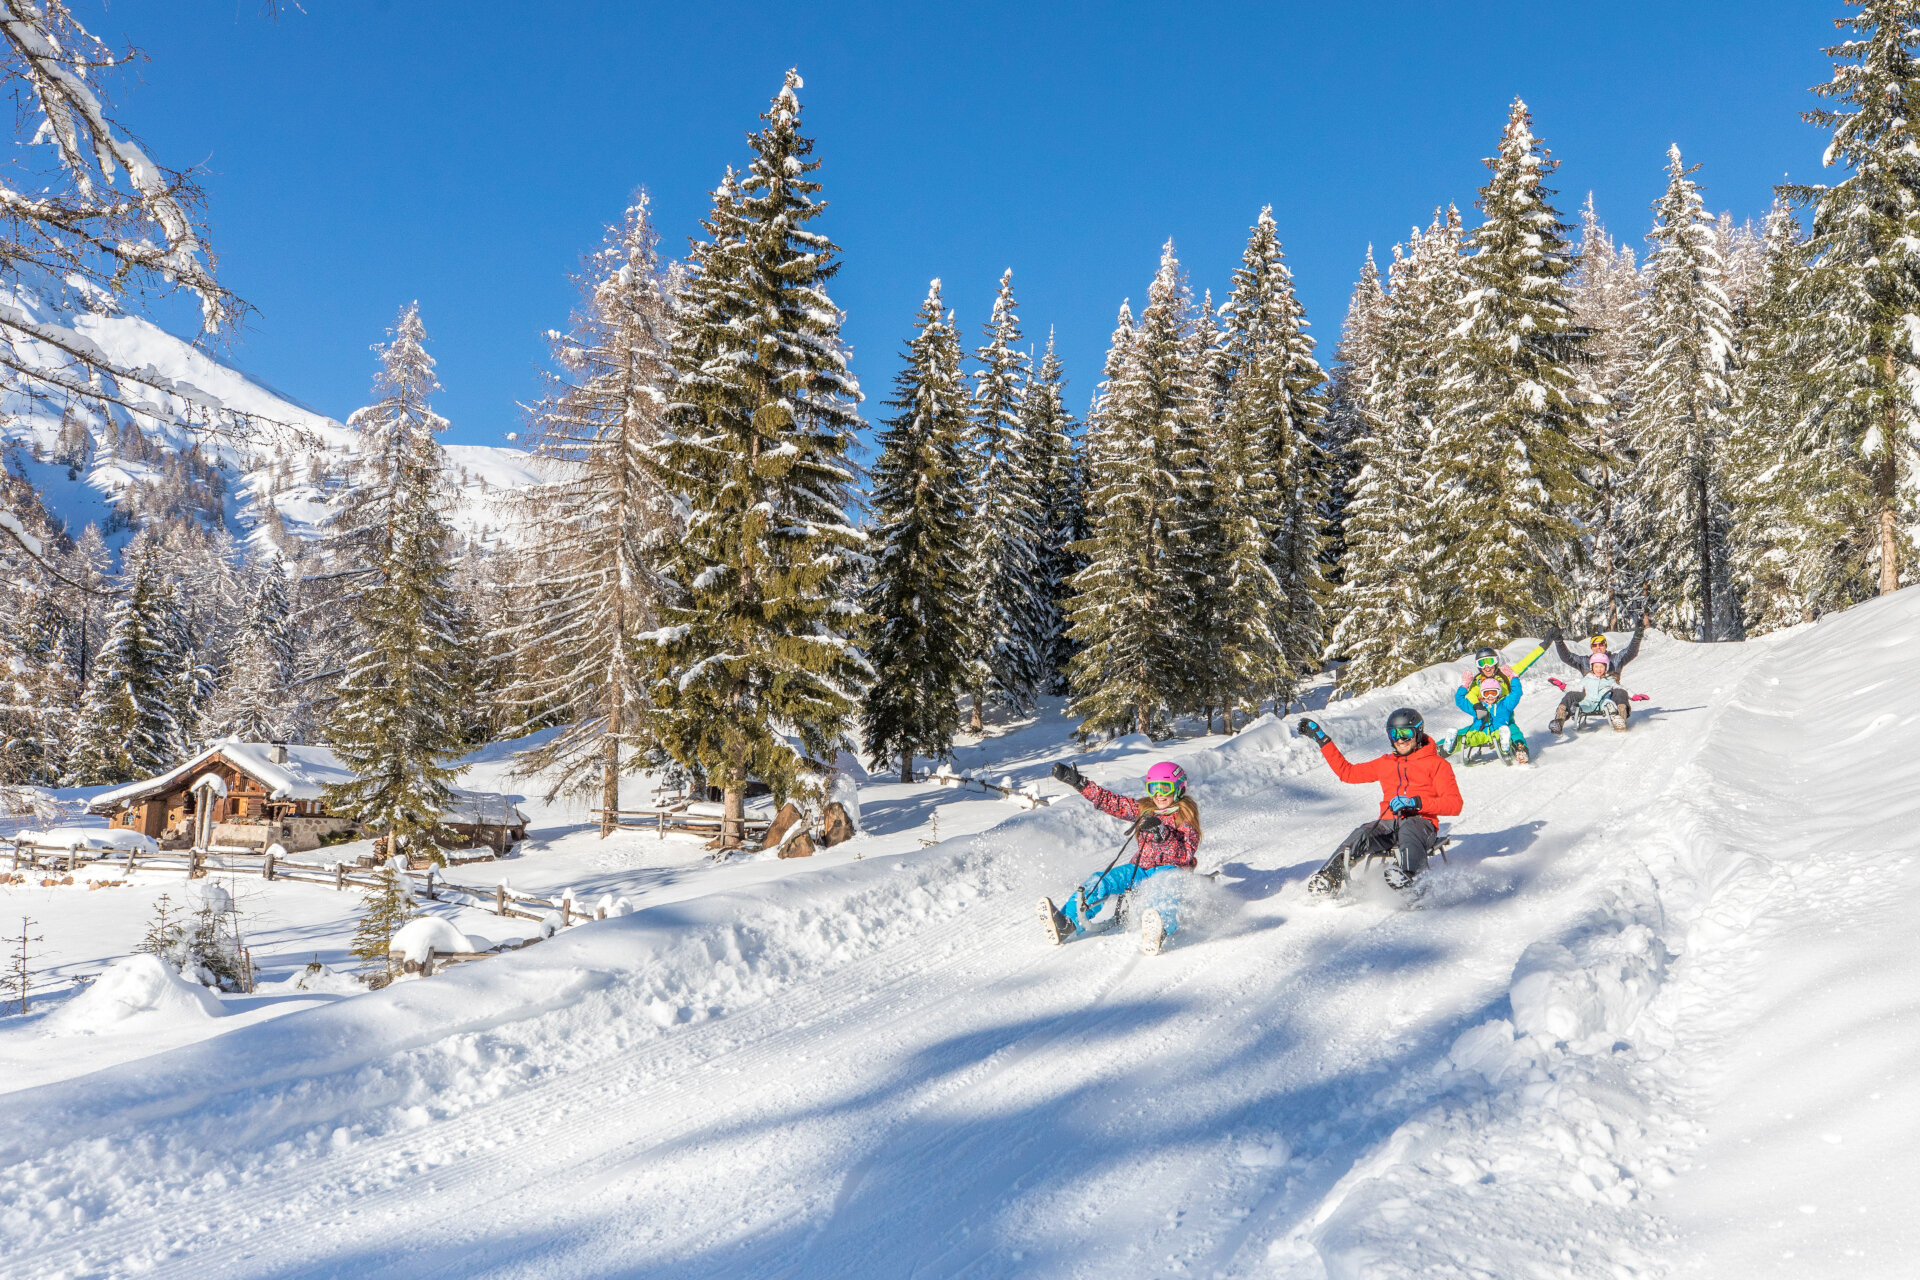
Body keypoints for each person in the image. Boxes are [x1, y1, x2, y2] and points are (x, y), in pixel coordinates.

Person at [1041, 760, 1200, 954]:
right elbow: (1111, 802)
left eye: (1164, 788)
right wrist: (1079, 783)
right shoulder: (1145, 809)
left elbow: (1185, 854)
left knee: (1164, 889)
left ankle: (1159, 929)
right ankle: (1068, 923)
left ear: (1178, 788)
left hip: (1171, 870)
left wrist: (1163, 836)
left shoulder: (1185, 817)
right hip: (1140, 869)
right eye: (1153, 788)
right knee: (1103, 880)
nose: (1158, 794)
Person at [1296, 708, 1462, 894]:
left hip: (1422, 825)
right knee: (1363, 833)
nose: (1400, 740)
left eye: (1406, 734)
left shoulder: (1437, 764)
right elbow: (1347, 773)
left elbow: (1454, 804)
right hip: (1389, 824)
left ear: (1418, 732)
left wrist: (1417, 803)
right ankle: (1329, 878)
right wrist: (1323, 740)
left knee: (1410, 828)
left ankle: (1411, 879)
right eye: (1394, 734)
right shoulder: (1385, 763)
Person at [1436, 642, 1547, 765]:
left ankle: (1520, 750)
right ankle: (1437, 749)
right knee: (1464, 733)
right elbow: (1469, 696)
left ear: (1496, 662)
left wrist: (1544, 645)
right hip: (1483, 718)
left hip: (1503, 717)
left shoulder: (1505, 674)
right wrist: (1476, 704)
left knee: (1513, 732)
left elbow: (1527, 661)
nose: (1487, 666)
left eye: (1490, 661)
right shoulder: (1478, 681)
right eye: (1482, 663)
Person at [1549, 649, 1633, 732]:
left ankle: (1619, 721)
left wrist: (1633, 696)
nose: (1599, 669)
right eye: (1596, 666)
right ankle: (1559, 722)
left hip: (1603, 702)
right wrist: (1563, 686)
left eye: (1601, 667)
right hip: (1588, 702)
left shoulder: (1609, 679)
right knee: (1578, 703)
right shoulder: (1587, 678)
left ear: (1606, 667)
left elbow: (1621, 688)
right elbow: (1576, 688)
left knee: (1610, 705)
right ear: (1592, 667)